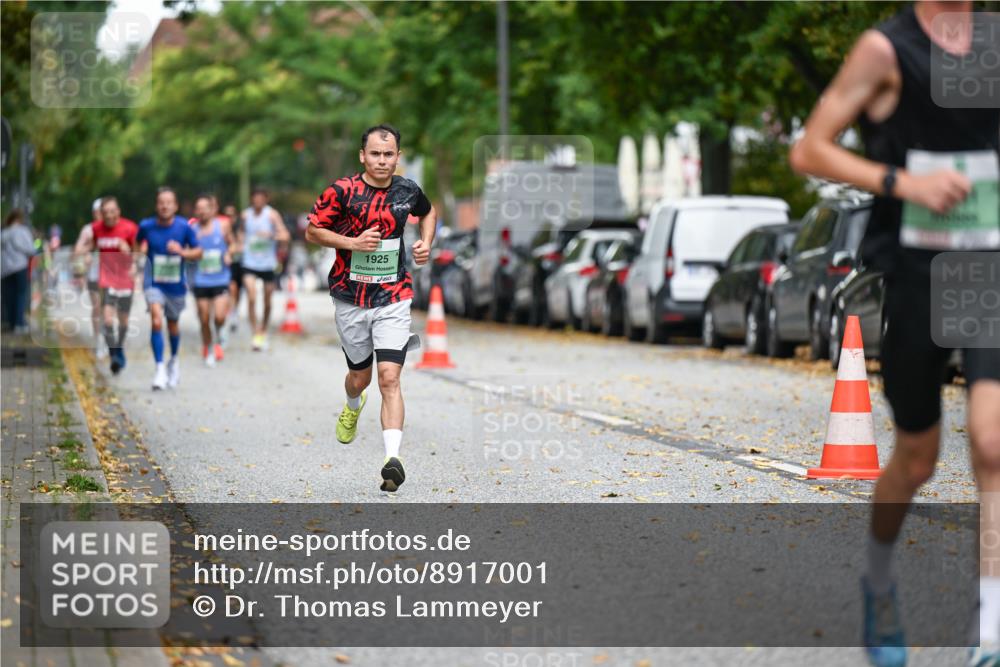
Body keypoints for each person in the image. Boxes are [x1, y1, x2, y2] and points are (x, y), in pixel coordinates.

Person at [789, 2, 1000, 666]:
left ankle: (989, 630)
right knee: (916, 459)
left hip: (983, 265)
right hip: (915, 271)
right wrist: (902, 180)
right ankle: (878, 580)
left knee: (993, 441)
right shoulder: (887, 48)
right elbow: (809, 148)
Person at [305, 123, 435, 492]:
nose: (382, 160)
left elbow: (429, 212)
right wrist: (352, 242)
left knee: (390, 378)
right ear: (362, 156)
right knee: (360, 378)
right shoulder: (342, 191)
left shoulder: (407, 190)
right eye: (375, 154)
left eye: (388, 154)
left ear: (398, 156)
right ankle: (352, 403)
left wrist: (425, 243)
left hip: (394, 294)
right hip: (350, 297)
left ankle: (392, 460)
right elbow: (312, 231)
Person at [137, 187, 202, 390]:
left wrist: (181, 252)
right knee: (156, 321)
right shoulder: (146, 226)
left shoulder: (184, 227)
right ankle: (159, 369)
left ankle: (173, 361)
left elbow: (198, 252)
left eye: (169, 202)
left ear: (175, 206)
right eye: (161, 202)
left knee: (172, 325)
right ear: (156, 205)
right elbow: (137, 243)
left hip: (175, 284)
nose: (164, 206)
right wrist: (142, 251)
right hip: (153, 282)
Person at [75, 197, 139, 374]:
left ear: (118, 211)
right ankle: (114, 354)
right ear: (100, 214)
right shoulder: (96, 229)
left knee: (123, 321)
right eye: (105, 212)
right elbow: (91, 245)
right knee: (108, 319)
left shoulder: (130, 228)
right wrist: (86, 252)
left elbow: (140, 251)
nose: (109, 215)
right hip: (107, 279)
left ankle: (119, 347)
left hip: (125, 280)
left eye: (112, 211)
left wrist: (130, 253)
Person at [240, 188, 290, 350]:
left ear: (266, 199)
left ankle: (263, 330)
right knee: (252, 296)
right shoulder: (245, 215)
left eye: (261, 198)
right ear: (251, 199)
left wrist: (271, 236)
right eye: (255, 198)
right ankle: (256, 333)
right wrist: (238, 245)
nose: (258, 201)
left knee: (267, 301)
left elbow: (285, 236)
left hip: (267, 264)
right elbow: (240, 234)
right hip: (249, 262)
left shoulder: (272, 215)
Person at [190, 194, 233, 367]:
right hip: (200, 280)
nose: (201, 212)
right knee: (204, 318)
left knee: (220, 317)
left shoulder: (222, 226)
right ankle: (208, 346)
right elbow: (187, 250)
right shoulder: (192, 230)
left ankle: (219, 335)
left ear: (212, 209)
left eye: (204, 208)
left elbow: (234, 244)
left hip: (221, 278)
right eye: (198, 209)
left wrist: (229, 253)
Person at [73, 199, 107, 358]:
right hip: (94, 274)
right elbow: (77, 250)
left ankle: (108, 338)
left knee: (110, 309)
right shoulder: (89, 230)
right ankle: (98, 340)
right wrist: (90, 246)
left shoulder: (114, 227)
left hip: (113, 275)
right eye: (99, 212)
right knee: (97, 307)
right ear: (95, 213)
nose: (102, 214)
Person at [1, 210, 36, 333]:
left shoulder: (3, 234)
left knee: (9, 297)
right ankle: (19, 323)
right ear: (19, 219)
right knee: (20, 295)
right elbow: (31, 249)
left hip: (5, 269)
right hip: (20, 266)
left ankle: (11, 323)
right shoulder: (22, 231)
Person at [222, 203, 244, 333]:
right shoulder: (220, 229)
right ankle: (228, 313)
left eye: (231, 215)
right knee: (231, 288)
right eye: (226, 215)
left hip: (239, 263)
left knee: (237, 291)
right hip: (225, 265)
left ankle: (234, 312)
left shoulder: (239, 229)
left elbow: (242, 244)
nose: (229, 217)